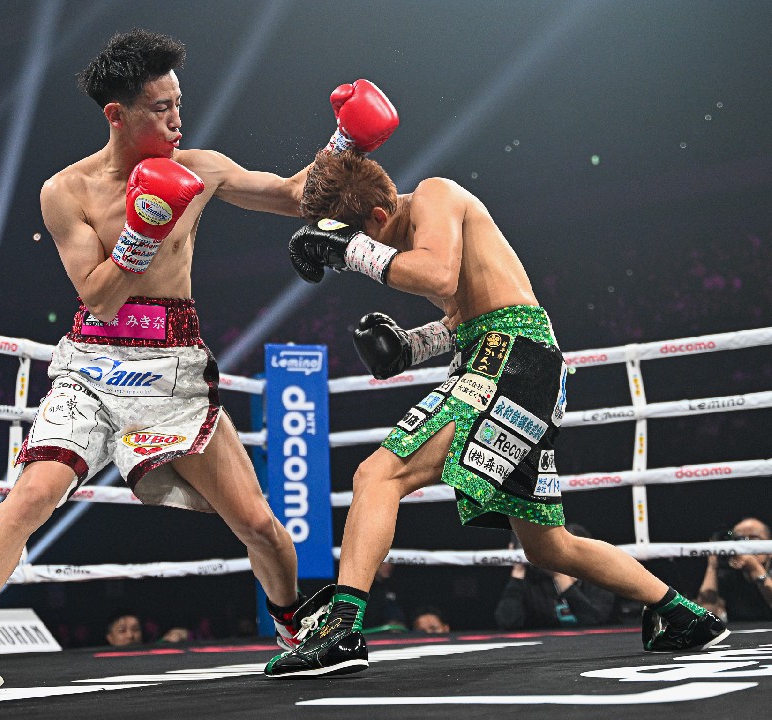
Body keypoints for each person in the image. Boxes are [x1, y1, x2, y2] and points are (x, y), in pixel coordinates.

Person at [0, 29, 398, 698]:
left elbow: (296, 195)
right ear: (116, 114)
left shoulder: (200, 169)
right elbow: (98, 296)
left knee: (258, 524)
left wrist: (345, 141)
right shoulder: (66, 191)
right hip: (93, 368)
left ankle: (292, 623)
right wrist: (143, 231)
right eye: (161, 107)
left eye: (179, 102)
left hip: (175, 371)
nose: (178, 120)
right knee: (31, 494)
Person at [264, 150, 729, 678]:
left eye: (365, 240)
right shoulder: (434, 230)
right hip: (520, 363)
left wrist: (349, 249)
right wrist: (410, 348)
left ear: (377, 216)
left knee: (378, 474)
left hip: (507, 356)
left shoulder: (435, 193)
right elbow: (464, 311)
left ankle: (341, 631)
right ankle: (683, 615)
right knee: (549, 546)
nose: (368, 257)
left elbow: (439, 278)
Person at [494, 526, 617, 630]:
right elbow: (507, 622)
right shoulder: (533, 580)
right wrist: (518, 571)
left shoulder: (598, 577)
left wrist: (560, 576)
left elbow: (593, 620)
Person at [696, 517, 772, 622]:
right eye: (740, 539)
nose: (746, 545)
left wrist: (755, 568)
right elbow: (705, 617)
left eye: (754, 539)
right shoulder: (727, 577)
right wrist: (712, 566)